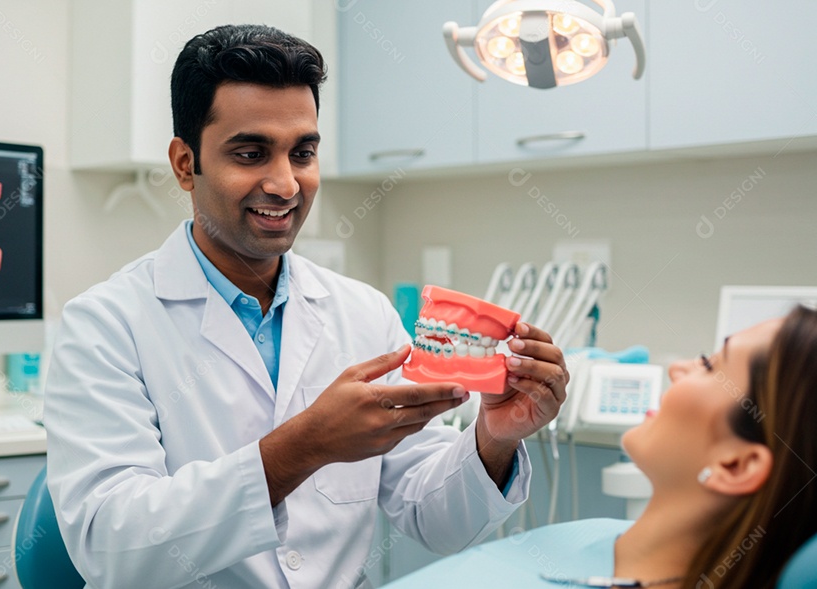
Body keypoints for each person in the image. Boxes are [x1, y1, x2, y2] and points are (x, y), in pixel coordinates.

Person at [44, 24, 569, 589]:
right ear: (184, 163)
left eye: (303, 152)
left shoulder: (362, 314)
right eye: (250, 153)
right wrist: (302, 448)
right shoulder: (105, 325)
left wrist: (497, 437)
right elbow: (111, 547)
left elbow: (432, 516)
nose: (285, 183)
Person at [382, 305, 817, 589]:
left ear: (736, 464)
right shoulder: (593, 535)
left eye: (709, 365)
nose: (678, 369)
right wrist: (496, 436)